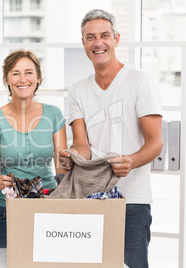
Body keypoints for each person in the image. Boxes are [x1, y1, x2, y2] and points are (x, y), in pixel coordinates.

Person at [59, 9, 163, 268]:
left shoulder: (140, 81)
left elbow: (155, 141)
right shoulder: (77, 90)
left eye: (104, 35)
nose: (98, 43)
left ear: (116, 39)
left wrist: (133, 161)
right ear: (83, 43)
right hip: (90, 200)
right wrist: (71, 157)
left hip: (133, 200)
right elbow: (82, 145)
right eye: (90, 37)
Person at [0, 49, 67, 248]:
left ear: (38, 78)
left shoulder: (54, 114)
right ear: (7, 80)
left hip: (47, 204)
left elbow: (62, 167)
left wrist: (60, 199)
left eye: (29, 72)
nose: (23, 79)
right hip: (5, 210)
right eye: (15, 73)